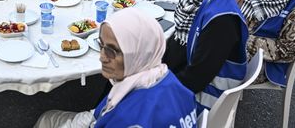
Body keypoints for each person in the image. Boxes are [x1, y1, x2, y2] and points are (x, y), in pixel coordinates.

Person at [34, 9, 197, 128]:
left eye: (112, 50)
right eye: (102, 45)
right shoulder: (173, 83)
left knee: (47, 119)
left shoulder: (126, 118)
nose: (102, 57)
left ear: (138, 52)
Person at [163, 0, 248, 113]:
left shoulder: (221, 20)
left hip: (196, 99)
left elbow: (196, 78)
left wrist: (153, 88)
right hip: (180, 72)